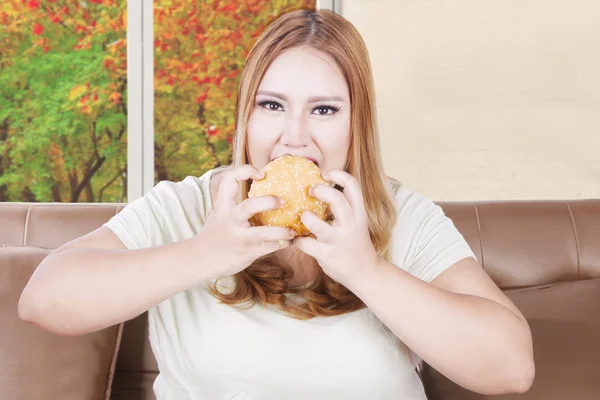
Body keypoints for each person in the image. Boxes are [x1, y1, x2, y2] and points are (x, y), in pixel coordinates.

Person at [19, 9, 534, 399]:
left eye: (324, 109)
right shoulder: (186, 206)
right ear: (246, 114)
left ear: (357, 125)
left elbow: (511, 367)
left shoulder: (402, 217)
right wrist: (206, 253)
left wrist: (368, 272)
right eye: (272, 105)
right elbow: (44, 301)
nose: (294, 137)